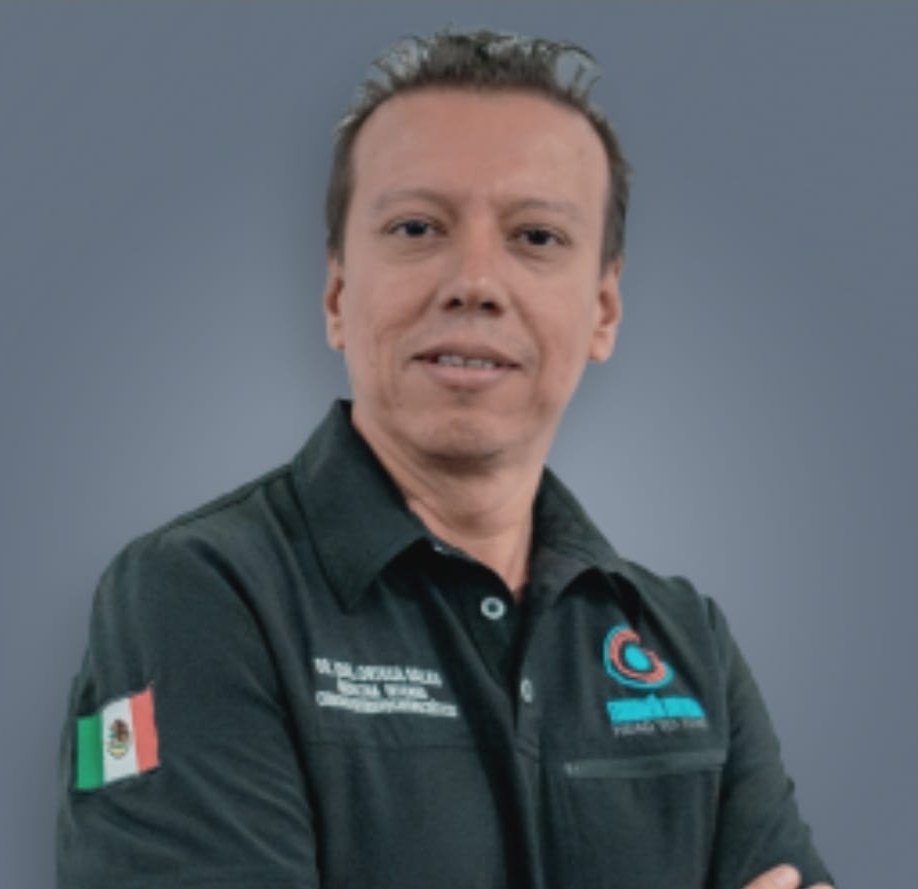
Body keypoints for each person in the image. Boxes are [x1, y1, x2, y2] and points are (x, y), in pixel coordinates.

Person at [56, 29, 835, 889]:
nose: (475, 282)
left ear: (605, 309)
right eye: (417, 227)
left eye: (536, 236)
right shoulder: (198, 595)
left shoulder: (689, 641)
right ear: (338, 294)